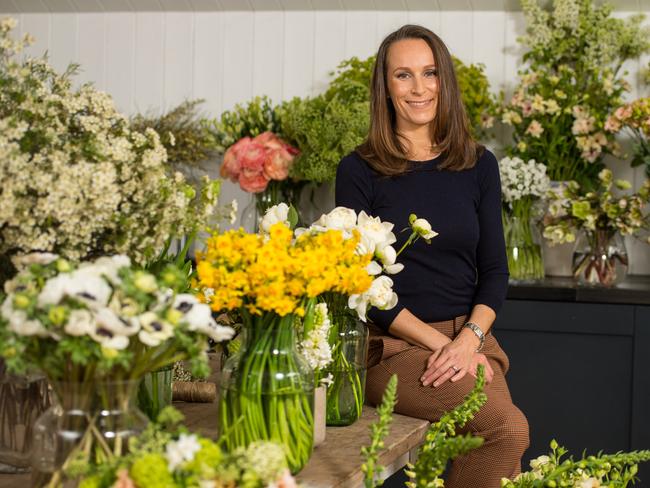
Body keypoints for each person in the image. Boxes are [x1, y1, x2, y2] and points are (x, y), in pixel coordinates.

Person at [335, 24, 529, 487]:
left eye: (430, 73)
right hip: (396, 347)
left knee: (504, 453)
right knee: (507, 430)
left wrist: (469, 339)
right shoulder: (359, 169)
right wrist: (443, 345)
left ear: (445, 81)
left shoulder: (478, 163)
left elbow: (495, 270)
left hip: (471, 338)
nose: (419, 88)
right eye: (403, 75)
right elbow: (362, 284)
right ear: (385, 87)